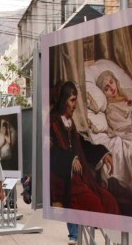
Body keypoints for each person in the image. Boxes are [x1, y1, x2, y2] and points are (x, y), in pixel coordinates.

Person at [50, 81, 119, 214]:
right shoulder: (53, 124)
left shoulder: (70, 122)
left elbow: (82, 145)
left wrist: (103, 154)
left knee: (109, 201)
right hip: (63, 181)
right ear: (64, 101)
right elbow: (51, 153)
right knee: (94, 204)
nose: (75, 106)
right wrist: (70, 159)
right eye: (72, 101)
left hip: (80, 178)